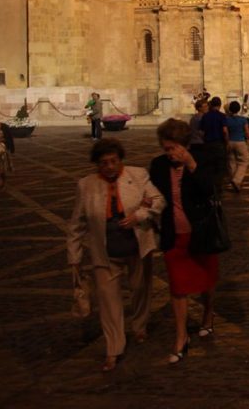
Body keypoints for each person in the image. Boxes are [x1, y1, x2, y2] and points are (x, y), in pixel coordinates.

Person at [67, 138, 166, 372]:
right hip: (105, 251)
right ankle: (114, 348)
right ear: (97, 164)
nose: (110, 167)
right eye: (104, 163)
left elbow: (159, 200)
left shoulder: (138, 175)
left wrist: (140, 215)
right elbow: (76, 224)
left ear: (121, 160)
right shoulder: (86, 185)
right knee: (108, 302)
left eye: (114, 161)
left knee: (140, 287)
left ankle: (139, 325)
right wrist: (74, 257)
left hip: (136, 245)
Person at [150, 118, 221, 365]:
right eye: (165, 148)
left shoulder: (204, 159)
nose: (169, 153)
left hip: (201, 232)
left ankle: (208, 314)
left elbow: (210, 189)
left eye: (173, 148)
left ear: (184, 145)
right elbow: (153, 194)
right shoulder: (158, 166)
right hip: (174, 234)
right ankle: (181, 337)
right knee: (178, 288)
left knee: (207, 281)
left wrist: (191, 164)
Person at [225, 100, 249, 192]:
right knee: (244, 161)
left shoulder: (226, 119)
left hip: (230, 142)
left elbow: (225, 131)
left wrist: (226, 142)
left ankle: (234, 181)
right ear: (239, 109)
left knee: (231, 162)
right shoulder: (242, 119)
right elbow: (247, 132)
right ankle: (236, 180)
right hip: (240, 142)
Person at [200, 96, 229, 179]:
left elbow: (201, 131)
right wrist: (227, 142)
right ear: (220, 105)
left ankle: (211, 185)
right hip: (219, 143)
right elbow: (225, 130)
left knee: (209, 165)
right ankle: (218, 185)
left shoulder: (205, 116)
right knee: (220, 165)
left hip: (208, 143)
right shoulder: (222, 116)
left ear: (211, 105)